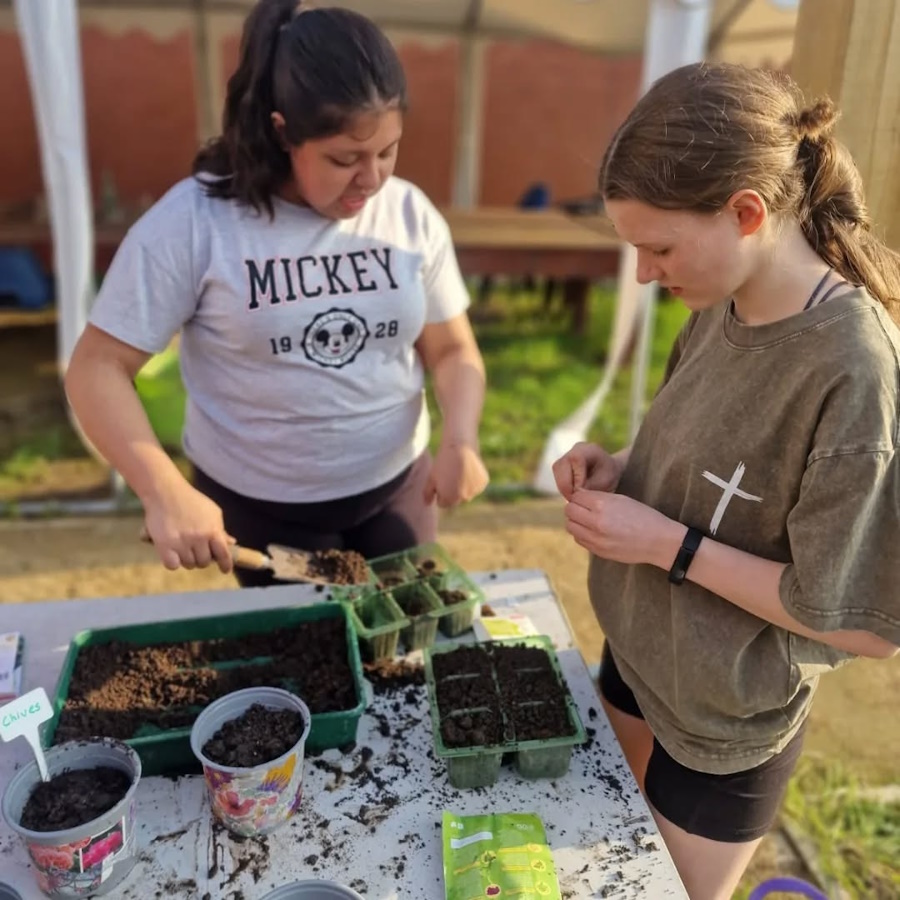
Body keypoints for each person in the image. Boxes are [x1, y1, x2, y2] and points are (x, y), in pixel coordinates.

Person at [552, 63, 900, 900]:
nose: (644, 275)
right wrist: (623, 469)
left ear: (747, 213)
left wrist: (668, 546)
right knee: (596, 866)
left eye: (659, 248)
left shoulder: (854, 371)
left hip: (724, 726)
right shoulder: (719, 298)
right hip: (640, 657)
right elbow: (709, 461)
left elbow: (862, 625)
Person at [65, 0, 489, 585]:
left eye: (388, 151)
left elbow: (453, 350)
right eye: (344, 158)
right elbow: (96, 368)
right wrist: (162, 489)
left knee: (406, 633)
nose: (371, 179)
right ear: (282, 130)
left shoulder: (409, 214)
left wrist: (461, 438)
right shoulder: (194, 224)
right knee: (307, 645)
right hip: (263, 510)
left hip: (397, 488)